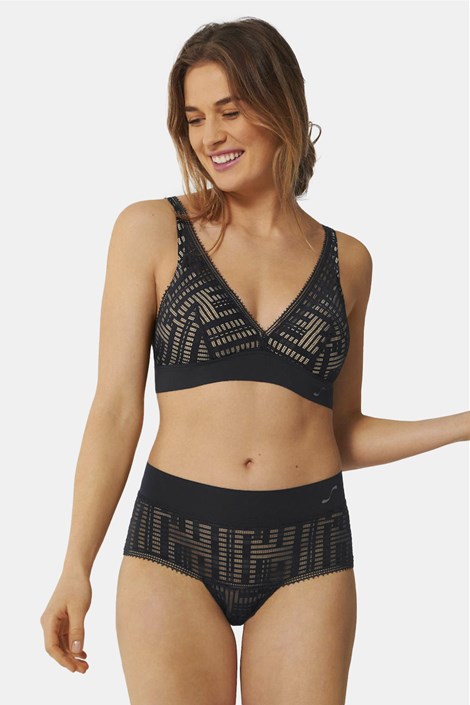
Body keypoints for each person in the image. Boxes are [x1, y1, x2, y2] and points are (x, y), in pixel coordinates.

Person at [39, 16, 470, 705]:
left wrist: (463, 424)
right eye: (195, 119)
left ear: (281, 106)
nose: (211, 135)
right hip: (172, 545)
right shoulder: (151, 231)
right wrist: (74, 565)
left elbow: (340, 432)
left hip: (310, 550)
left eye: (230, 111)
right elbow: (116, 410)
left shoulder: (349, 263)